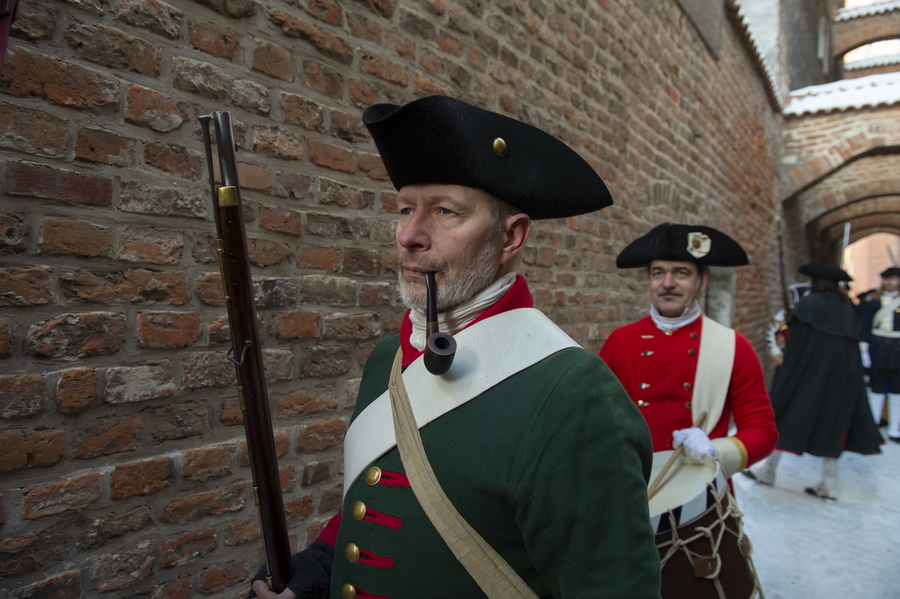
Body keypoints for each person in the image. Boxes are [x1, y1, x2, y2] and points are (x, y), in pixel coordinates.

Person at [250, 95, 662, 599]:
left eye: (445, 211)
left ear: (510, 237)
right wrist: (309, 578)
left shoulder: (575, 397)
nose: (409, 235)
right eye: (405, 209)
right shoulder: (389, 357)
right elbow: (379, 506)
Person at [599, 223, 778, 480]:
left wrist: (716, 450)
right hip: (630, 485)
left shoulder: (733, 345)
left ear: (702, 281)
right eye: (658, 273)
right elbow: (596, 418)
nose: (668, 283)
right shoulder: (620, 340)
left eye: (681, 273)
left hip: (703, 490)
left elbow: (763, 430)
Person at [746, 263, 882, 500]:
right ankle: (828, 484)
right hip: (840, 380)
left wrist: (787, 372)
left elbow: (795, 346)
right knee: (834, 424)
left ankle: (768, 472)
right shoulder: (846, 307)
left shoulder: (808, 304)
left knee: (784, 413)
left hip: (806, 376)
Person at [860, 266, 900, 442]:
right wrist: (864, 350)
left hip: (898, 347)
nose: (889, 282)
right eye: (887, 279)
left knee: (897, 390)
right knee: (876, 386)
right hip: (878, 347)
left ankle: (894, 429)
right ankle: (873, 426)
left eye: (893, 279)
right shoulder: (874, 302)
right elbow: (866, 326)